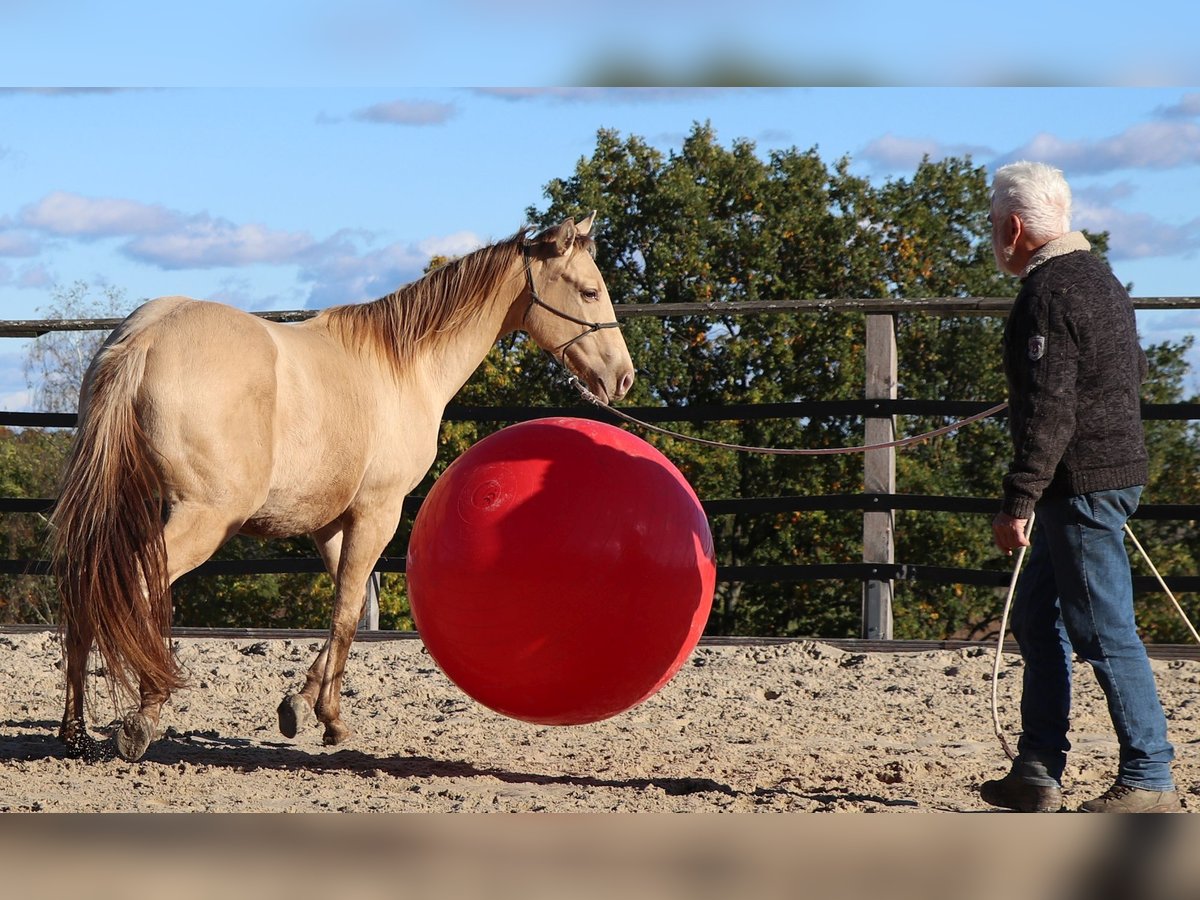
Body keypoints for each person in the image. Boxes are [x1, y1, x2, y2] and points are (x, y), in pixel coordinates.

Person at [981, 161, 1180, 813]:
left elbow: (1051, 408)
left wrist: (1019, 498)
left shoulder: (1048, 292)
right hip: (1104, 475)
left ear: (1013, 227)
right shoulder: (1100, 279)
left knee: (1102, 628)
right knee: (1041, 617)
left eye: (992, 225)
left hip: (1081, 486)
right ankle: (1038, 768)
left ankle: (1149, 776)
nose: (992, 236)